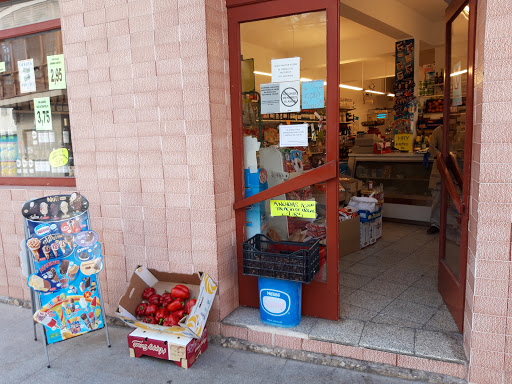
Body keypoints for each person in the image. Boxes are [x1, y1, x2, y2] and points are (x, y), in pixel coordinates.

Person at [427, 125, 443, 234]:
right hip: (439, 167)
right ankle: (435, 224)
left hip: (457, 168)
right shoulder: (438, 130)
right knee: (437, 198)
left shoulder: (462, 129)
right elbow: (432, 147)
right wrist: (442, 156)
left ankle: (453, 224)